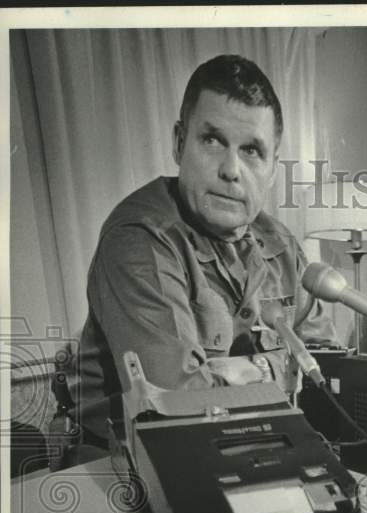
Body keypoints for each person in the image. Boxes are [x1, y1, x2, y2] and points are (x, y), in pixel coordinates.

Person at [72, 54, 335, 450]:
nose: (231, 169)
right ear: (180, 144)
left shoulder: (280, 244)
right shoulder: (141, 238)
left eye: (251, 150)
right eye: (212, 140)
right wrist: (279, 371)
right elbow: (179, 405)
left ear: (272, 168)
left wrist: (241, 371)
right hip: (125, 464)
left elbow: (328, 367)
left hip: (256, 445)